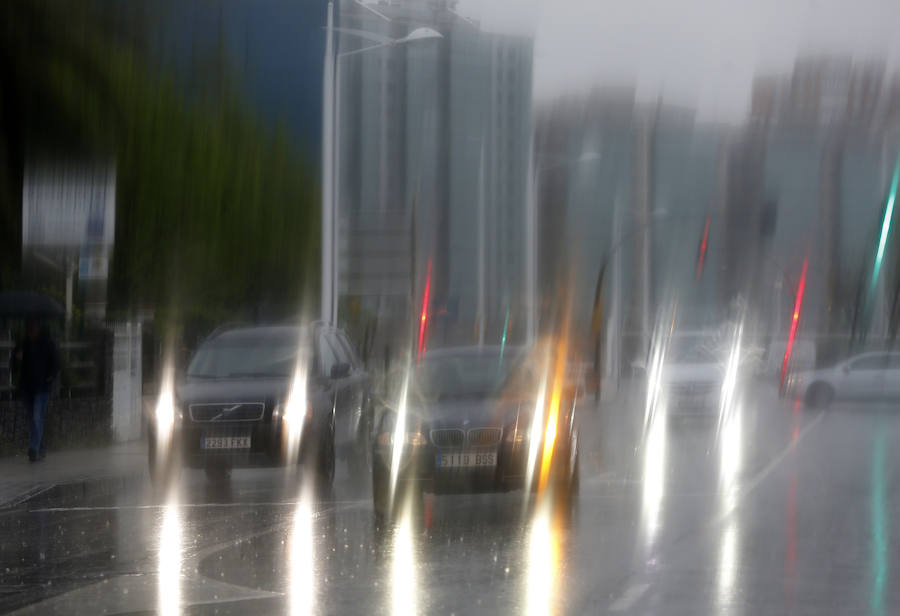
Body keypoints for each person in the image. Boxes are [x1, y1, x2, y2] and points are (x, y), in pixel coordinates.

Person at [10, 317, 59, 462]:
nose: (31, 329)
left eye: (34, 326)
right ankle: (41, 448)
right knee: (34, 420)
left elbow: (56, 363)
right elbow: (13, 366)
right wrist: (16, 359)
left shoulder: (47, 343)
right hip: (27, 388)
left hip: (42, 388)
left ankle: (33, 449)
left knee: (37, 418)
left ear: (38, 327)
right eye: (29, 327)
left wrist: (49, 377)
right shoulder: (22, 344)